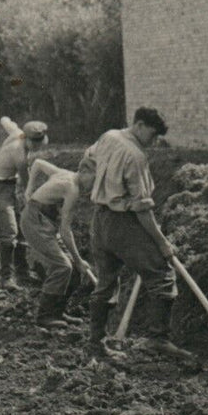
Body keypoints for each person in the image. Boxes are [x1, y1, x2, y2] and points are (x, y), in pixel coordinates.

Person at [83, 107, 188, 362]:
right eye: (152, 135)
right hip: (123, 223)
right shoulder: (135, 156)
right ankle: (158, 340)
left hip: (99, 219)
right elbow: (142, 209)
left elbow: (88, 161)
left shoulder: (108, 136)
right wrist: (162, 243)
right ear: (139, 124)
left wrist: (104, 188)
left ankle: (95, 343)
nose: (152, 142)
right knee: (162, 275)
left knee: (106, 282)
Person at [22, 158, 97, 327]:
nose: (94, 185)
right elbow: (65, 230)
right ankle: (44, 316)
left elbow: (38, 163)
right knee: (63, 266)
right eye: (95, 179)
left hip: (46, 222)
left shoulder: (63, 173)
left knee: (74, 271)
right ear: (84, 172)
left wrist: (28, 189)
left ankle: (58, 312)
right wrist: (79, 260)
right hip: (34, 221)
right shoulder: (72, 189)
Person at [0, 117, 47, 289]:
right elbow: (27, 183)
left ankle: (23, 273)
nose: (36, 147)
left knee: (22, 230)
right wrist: (34, 202)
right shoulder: (18, 153)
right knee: (9, 232)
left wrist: (4, 119)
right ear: (26, 139)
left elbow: (6, 122)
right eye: (34, 143)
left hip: (10, 186)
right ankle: (7, 279)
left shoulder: (17, 133)